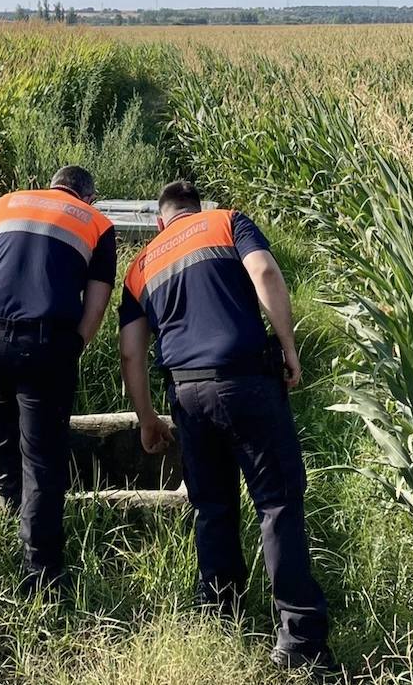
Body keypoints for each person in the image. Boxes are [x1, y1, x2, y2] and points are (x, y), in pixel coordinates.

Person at [118, 180, 334, 673]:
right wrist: (288, 347)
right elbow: (265, 272)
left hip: (187, 395)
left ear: (159, 221)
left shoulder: (141, 264)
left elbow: (131, 352)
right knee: (277, 503)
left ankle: (221, 613)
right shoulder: (226, 222)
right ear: (197, 209)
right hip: (246, 383)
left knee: (212, 507)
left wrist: (147, 419)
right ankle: (299, 643)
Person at [0, 165, 116, 591]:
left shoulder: (7, 203)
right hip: (44, 346)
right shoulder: (98, 224)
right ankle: (42, 573)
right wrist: (72, 348)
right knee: (43, 458)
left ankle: (8, 506)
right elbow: (97, 302)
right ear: (88, 196)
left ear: (53, 184)